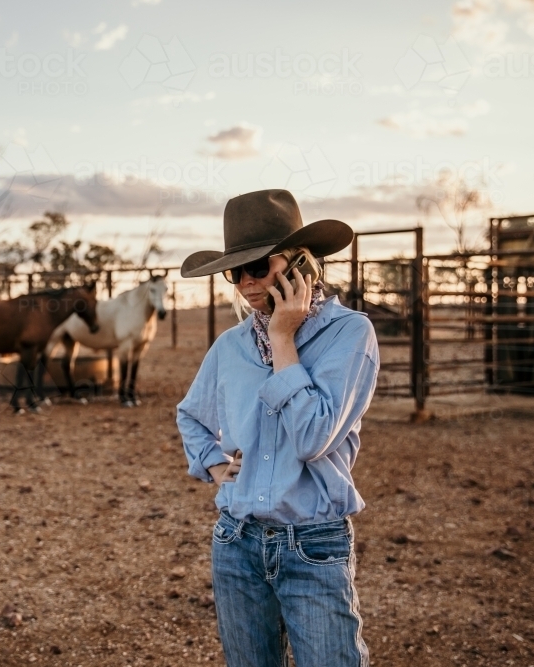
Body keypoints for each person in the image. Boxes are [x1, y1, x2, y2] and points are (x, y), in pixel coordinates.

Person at [177, 189, 379, 667]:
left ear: (300, 266)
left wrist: (283, 337)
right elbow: (190, 414)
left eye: (259, 266)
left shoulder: (350, 334)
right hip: (237, 541)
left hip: (312, 544)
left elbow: (313, 438)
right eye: (235, 271)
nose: (246, 284)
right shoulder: (230, 346)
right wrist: (215, 465)